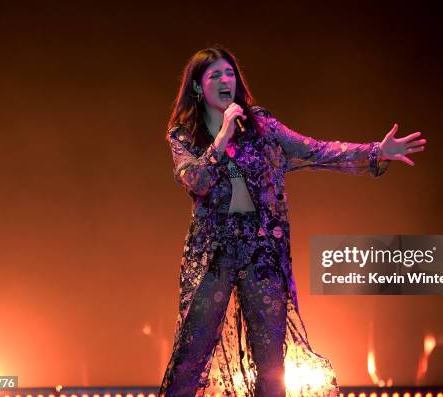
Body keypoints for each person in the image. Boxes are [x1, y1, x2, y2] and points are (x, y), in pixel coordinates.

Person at [159, 45, 426, 397]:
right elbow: (196, 181)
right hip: (214, 253)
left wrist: (376, 150)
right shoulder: (184, 136)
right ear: (197, 87)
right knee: (191, 357)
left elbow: (314, 150)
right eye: (215, 75)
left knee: (271, 365)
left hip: (261, 253)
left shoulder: (261, 126)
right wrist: (222, 137)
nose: (226, 80)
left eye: (230, 73)